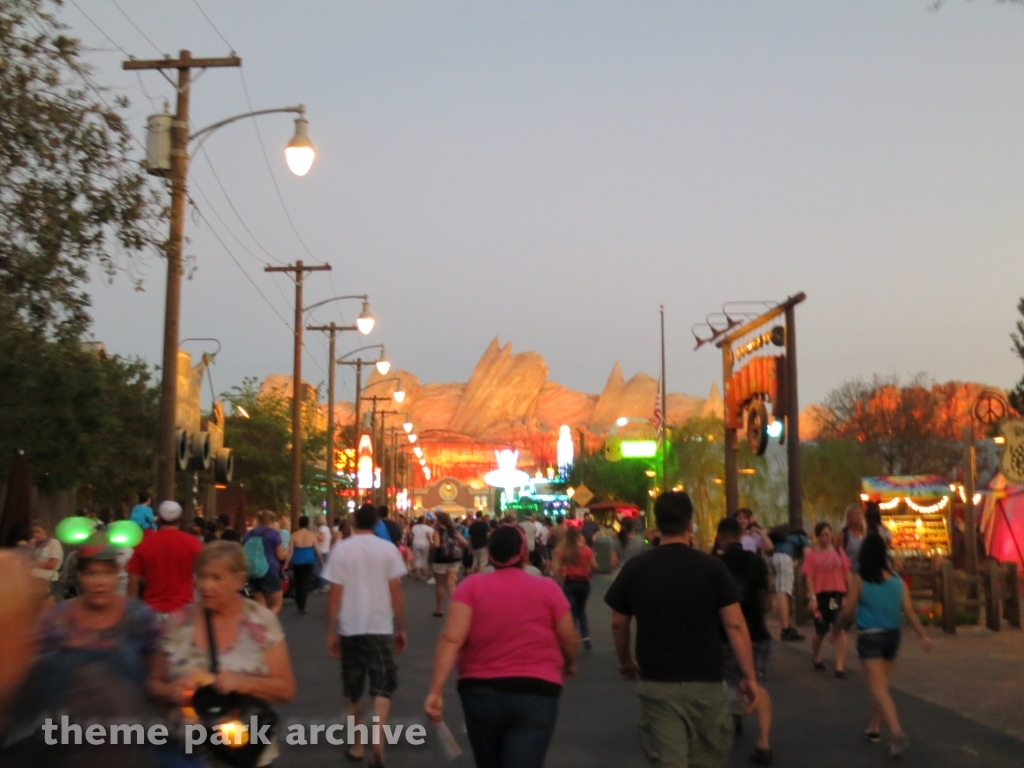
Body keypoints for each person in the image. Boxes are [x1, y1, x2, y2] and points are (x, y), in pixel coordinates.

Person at [604, 491, 758, 768]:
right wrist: (747, 674)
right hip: (707, 680)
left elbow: (618, 621)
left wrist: (626, 661)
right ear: (690, 523)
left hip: (658, 681)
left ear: (656, 524)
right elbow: (734, 623)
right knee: (708, 760)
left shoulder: (637, 568)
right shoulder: (712, 567)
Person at [425, 525, 580, 768]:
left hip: (480, 690)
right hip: (537, 691)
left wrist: (436, 690)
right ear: (523, 553)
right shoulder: (547, 589)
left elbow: (451, 639)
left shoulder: (471, 587)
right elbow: (569, 638)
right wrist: (569, 662)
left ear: (490, 553)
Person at [9, 536, 162, 766]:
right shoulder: (56, 619)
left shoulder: (140, 617)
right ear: (80, 576)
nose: (99, 582)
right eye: (91, 573)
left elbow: (155, 674)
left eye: (106, 573)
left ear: (117, 575)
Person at [151, 541, 296, 767]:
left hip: (241, 754)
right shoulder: (178, 622)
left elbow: (286, 690)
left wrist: (245, 683)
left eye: (216, 578)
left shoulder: (260, 622)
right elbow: (153, 683)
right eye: (201, 576)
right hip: (186, 755)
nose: (205, 586)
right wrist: (171, 691)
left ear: (239, 580)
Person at [324, 503, 407, 767]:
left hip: (350, 625)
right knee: (383, 682)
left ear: (353, 520)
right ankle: (378, 744)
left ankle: (358, 745)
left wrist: (331, 630)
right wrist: (401, 626)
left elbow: (334, 594)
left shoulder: (341, 548)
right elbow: (396, 591)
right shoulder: (388, 549)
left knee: (353, 686)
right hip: (380, 625)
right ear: (377, 523)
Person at [838, 534, 933, 757]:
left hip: (870, 637)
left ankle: (897, 732)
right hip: (892, 637)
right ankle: (874, 727)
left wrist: (839, 626)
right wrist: (923, 636)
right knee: (880, 685)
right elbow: (908, 610)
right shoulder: (897, 581)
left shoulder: (859, 580)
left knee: (878, 687)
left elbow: (848, 610)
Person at [716, 517, 774, 766]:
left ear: (720, 538)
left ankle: (729, 726)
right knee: (757, 681)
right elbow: (767, 595)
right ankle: (763, 741)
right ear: (740, 536)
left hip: (725, 632)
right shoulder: (756, 561)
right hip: (757, 631)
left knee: (727, 680)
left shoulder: (716, 564)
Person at [127, 500, 203, 618]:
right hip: (184, 611)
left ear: (158, 519)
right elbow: (202, 577)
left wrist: (130, 613)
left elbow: (133, 581)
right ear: (180, 519)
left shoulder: (144, 544)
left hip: (151, 612)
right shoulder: (193, 544)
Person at [802, 522, 851, 677]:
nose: (825, 538)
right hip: (821, 595)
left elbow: (847, 572)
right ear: (817, 537)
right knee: (821, 631)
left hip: (837, 594)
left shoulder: (839, 552)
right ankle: (816, 655)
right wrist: (812, 597)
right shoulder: (812, 555)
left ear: (831, 535)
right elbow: (809, 578)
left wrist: (849, 594)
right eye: (822, 535)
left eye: (827, 534)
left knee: (839, 630)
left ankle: (839, 666)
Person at [553, 526, 597, 650]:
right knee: (581, 610)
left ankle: (571, 638)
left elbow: (560, 569)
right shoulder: (586, 550)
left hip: (570, 582)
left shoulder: (564, 551)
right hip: (584, 583)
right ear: (579, 536)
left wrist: (559, 580)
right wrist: (590, 573)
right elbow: (595, 566)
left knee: (571, 611)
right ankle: (586, 637)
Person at [242, 510, 289, 615]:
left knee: (261, 606)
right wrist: (287, 550)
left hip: (252, 571)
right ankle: (265, 627)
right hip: (269, 571)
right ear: (272, 521)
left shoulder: (248, 534)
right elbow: (281, 556)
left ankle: (259, 625)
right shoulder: (273, 534)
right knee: (276, 604)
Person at [768, 524, 809, 642]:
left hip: (772, 559)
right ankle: (785, 629)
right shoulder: (801, 537)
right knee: (783, 592)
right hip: (784, 559)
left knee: (781, 591)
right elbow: (808, 553)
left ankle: (785, 625)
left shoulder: (782, 538)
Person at [432, 512, 468, 617]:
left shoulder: (437, 532)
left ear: (439, 520)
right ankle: (455, 608)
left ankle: (439, 609)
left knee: (440, 585)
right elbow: (465, 542)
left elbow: (437, 545)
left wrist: (430, 542)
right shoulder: (454, 531)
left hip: (440, 559)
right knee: (451, 583)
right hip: (454, 559)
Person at [290, 515, 322, 615]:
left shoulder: (294, 535)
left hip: (297, 561)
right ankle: (302, 605)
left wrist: (286, 563)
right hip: (308, 561)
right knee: (304, 582)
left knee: (298, 581)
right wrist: (321, 561)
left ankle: (298, 600)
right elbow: (318, 551)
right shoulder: (312, 535)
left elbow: (290, 551)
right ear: (307, 524)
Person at [29, 521, 64, 598]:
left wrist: (33, 564)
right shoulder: (35, 544)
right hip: (34, 578)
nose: (35, 535)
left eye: (38, 532)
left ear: (46, 531)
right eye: (33, 532)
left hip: (47, 579)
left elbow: (52, 564)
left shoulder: (53, 543)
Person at [411, 516, 435, 580]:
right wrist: (431, 543)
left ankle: (418, 573)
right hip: (425, 544)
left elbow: (412, 536)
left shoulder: (414, 527)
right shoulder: (428, 528)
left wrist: (411, 544)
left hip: (416, 543)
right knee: (424, 558)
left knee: (418, 558)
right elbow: (428, 536)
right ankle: (423, 574)